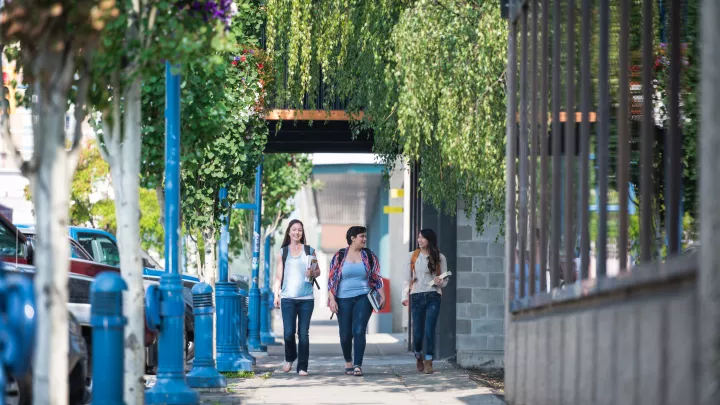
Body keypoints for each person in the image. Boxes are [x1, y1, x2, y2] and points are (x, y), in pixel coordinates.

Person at [327, 226, 385, 377]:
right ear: (352, 238)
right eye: (362, 236)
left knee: (359, 330)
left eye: (365, 236)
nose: (364, 239)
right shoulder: (340, 255)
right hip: (342, 298)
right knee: (345, 334)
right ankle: (348, 362)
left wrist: (382, 295)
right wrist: (332, 299)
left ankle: (358, 365)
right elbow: (332, 279)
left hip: (364, 297)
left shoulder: (369, 255)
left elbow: (376, 277)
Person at [273, 219, 320, 376]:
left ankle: (302, 367)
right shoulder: (283, 252)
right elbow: (278, 276)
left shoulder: (309, 250)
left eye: (299, 230)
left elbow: (317, 271)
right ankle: (290, 357)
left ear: (302, 232)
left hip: (306, 298)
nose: (297, 232)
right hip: (287, 298)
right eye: (294, 229)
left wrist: (313, 273)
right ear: (289, 232)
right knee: (288, 333)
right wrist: (276, 295)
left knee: (303, 334)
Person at [401, 229, 449, 374]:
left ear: (430, 239)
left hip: (433, 295)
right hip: (416, 296)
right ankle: (418, 355)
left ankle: (429, 361)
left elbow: (445, 279)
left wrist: (440, 281)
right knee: (418, 334)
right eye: (418, 237)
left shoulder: (440, 257)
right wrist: (404, 296)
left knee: (430, 330)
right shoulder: (412, 256)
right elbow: (406, 279)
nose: (419, 240)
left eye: (422, 238)